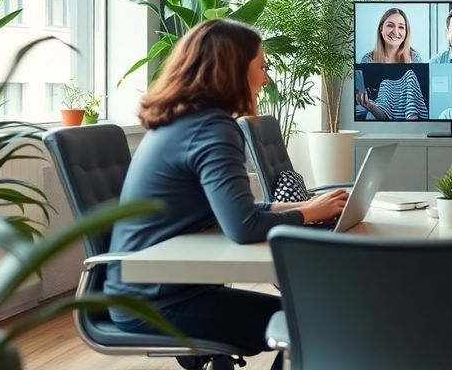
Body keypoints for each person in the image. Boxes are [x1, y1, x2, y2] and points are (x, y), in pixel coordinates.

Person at [104, 19, 349, 370]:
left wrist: (305, 206)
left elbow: (232, 208)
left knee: (309, 315)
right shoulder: (211, 128)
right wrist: (309, 214)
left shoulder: (184, 121)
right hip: (157, 301)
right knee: (313, 322)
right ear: (232, 70)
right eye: (261, 67)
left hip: (160, 289)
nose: (265, 79)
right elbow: (244, 226)